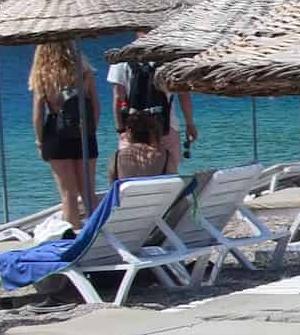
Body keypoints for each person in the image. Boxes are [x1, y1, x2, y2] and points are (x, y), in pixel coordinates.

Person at [29, 40, 101, 226]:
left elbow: (38, 114)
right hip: (84, 131)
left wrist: (39, 141)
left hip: (56, 132)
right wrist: (91, 132)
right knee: (88, 192)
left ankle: (73, 239)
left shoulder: (42, 75)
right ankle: (98, 234)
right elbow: (95, 107)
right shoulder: (84, 72)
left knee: (68, 194)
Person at [107, 56, 195, 173]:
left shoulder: (121, 60)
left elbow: (118, 98)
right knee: (169, 175)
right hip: (166, 126)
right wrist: (189, 123)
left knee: (131, 173)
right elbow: (183, 94)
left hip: (132, 130)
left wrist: (121, 130)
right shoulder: (172, 60)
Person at [111, 111, 169, 182]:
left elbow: (113, 186)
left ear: (129, 131)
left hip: (129, 193)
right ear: (153, 131)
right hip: (158, 192)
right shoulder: (166, 156)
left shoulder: (118, 157)